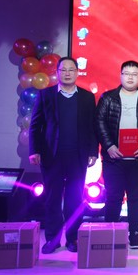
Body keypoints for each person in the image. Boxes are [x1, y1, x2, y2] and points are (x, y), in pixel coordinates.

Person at [29, 57, 98, 254]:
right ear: (57, 73)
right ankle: (52, 239)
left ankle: (73, 238)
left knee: (74, 198)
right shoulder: (46, 95)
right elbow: (35, 125)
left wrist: (93, 151)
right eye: (63, 70)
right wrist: (34, 150)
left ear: (77, 72)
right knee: (52, 198)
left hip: (77, 155)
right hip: (52, 155)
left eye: (71, 70)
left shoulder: (86, 97)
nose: (67, 73)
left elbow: (92, 127)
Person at [95, 60, 138, 249]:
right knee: (113, 197)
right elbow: (99, 122)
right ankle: (110, 232)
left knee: (136, 197)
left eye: (134, 74)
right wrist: (109, 145)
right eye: (127, 73)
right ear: (120, 75)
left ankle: (134, 233)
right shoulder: (108, 98)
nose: (130, 77)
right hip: (114, 159)